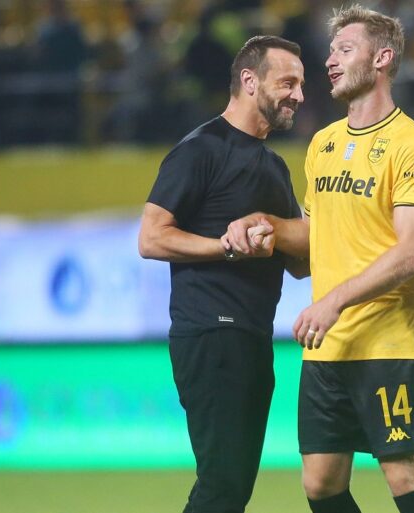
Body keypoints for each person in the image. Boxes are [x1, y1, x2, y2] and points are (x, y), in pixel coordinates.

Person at [225, 5, 414, 513]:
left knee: (405, 476)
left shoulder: (411, 145)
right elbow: (314, 237)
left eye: (345, 50)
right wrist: (268, 226)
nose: (330, 61)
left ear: (382, 58)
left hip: (386, 342)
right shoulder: (323, 144)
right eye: (331, 51)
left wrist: (334, 302)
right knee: (321, 484)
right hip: (327, 347)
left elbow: (412, 252)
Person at [137, 35, 307, 513]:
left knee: (231, 489)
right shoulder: (201, 149)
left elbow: (300, 265)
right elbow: (151, 237)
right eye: (288, 83)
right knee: (223, 485)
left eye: (300, 85)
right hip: (211, 334)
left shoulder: (274, 166)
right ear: (249, 81)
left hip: (252, 337)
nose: (298, 95)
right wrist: (225, 247)